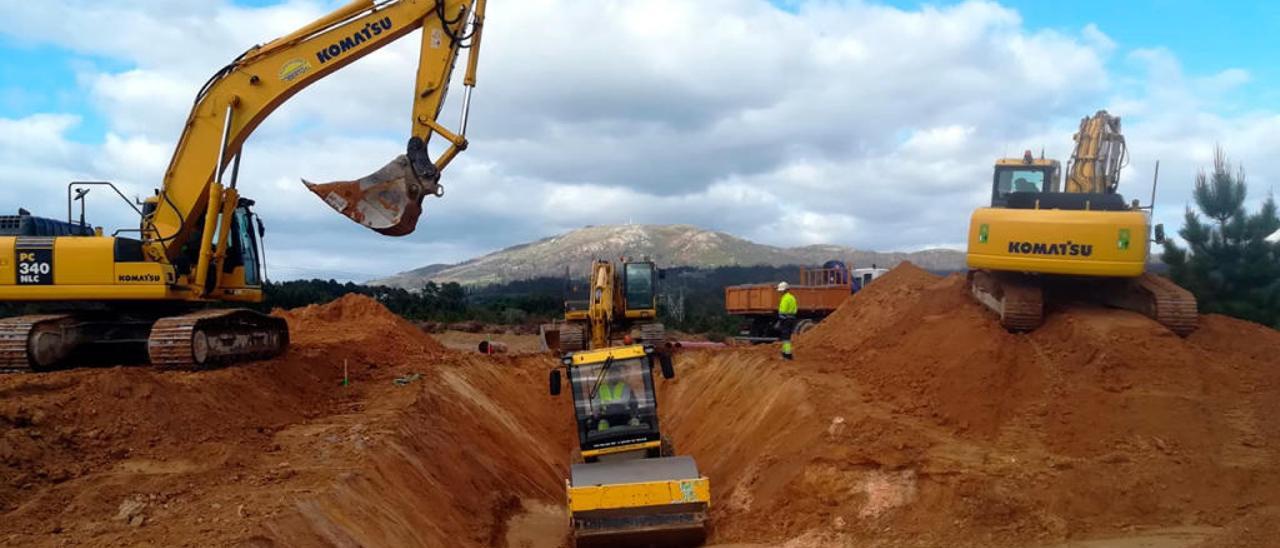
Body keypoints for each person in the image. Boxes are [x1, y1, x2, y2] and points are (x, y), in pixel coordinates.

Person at [777, 281, 797, 360]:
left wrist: (780, 318)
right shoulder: (792, 297)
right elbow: (795, 309)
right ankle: (785, 353)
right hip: (792, 318)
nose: (780, 292)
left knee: (785, 338)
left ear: (784, 290)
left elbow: (783, 311)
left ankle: (787, 355)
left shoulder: (785, 298)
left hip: (785, 319)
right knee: (786, 337)